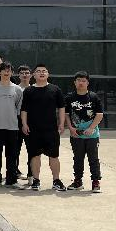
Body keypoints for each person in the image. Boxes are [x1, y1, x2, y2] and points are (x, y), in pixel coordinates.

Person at [20, 64, 66, 192]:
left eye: (44, 71)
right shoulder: (28, 91)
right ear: (34, 75)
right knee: (35, 155)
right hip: (33, 130)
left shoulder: (55, 89)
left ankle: (56, 180)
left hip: (51, 130)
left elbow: (61, 107)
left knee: (54, 156)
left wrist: (62, 123)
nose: (41, 73)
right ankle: (36, 180)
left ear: (48, 74)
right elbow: (24, 110)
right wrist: (24, 124)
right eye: (38, 71)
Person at [0, 62, 24, 189]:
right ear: (0, 72)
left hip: (12, 126)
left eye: (9, 70)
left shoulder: (17, 89)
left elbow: (19, 108)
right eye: (4, 70)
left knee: (12, 154)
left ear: (12, 72)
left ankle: (12, 180)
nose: (6, 72)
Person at [65, 71, 104, 193]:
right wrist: (71, 128)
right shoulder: (69, 98)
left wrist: (91, 128)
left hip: (92, 135)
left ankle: (96, 182)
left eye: (83, 81)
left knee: (93, 159)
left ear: (87, 83)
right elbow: (66, 114)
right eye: (78, 80)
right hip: (76, 134)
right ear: (74, 82)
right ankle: (78, 181)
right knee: (78, 159)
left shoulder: (93, 97)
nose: (81, 83)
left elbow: (99, 114)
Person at [15, 64, 33, 181]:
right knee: (15, 149)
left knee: (31, 149)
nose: (25, 75)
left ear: (31, 75)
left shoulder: (35, 89)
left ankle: (31, 174)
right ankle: (14, 171)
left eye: (27, 73)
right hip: (16, 121)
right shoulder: (15, 89)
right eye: (22, 73)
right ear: (19, 75)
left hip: (31, 122)